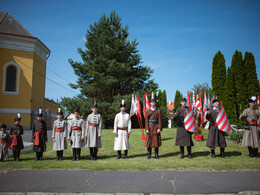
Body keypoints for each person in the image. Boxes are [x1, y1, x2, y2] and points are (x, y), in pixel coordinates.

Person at [145, 92, 162, 159]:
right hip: (149, 127)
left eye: (154, 102)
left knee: (156, 141)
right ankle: (149, 155)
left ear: (155, 103)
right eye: (152, 103)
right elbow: (146, 121)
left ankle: (156, 154)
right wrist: (146, 129)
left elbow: (160, 120)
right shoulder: (147, 111)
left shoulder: (158, 111)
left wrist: (159, 128)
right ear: (150, 103)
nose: (153, 104)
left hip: (156, 127)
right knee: (149, 141)